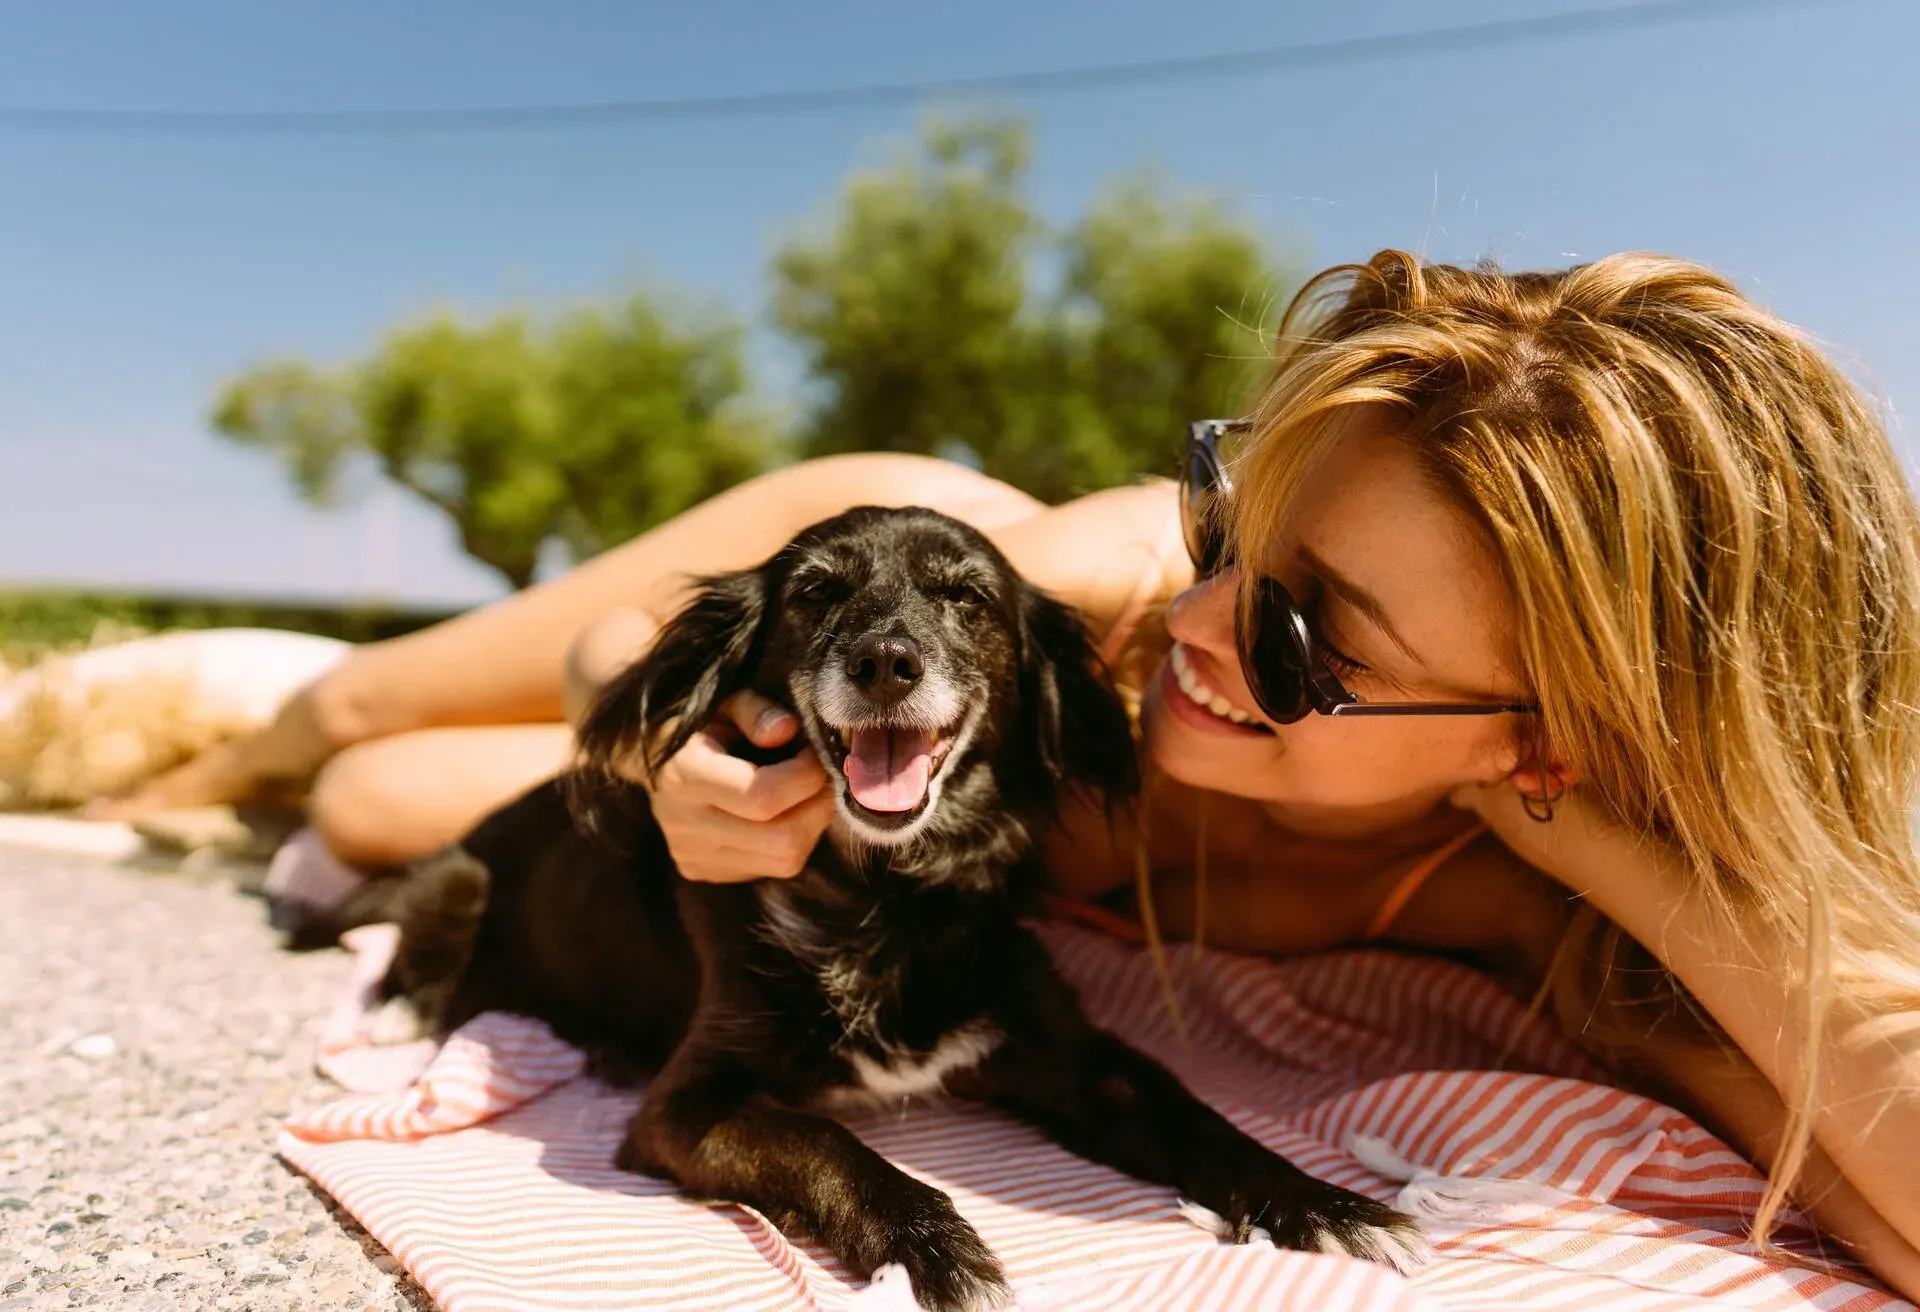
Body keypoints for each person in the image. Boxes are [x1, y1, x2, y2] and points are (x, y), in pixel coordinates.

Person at [98, 249, 1920, 1297]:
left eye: (1308, 642)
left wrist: (1594, 825)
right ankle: (197, 732)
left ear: (1550, 736)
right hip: (829, 567)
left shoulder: (1519, 893)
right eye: (1238, 526)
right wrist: (695, 773)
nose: (1206, 629)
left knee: (392, 815)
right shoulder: (1118, 602)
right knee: (347, 758)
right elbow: (632, 669)